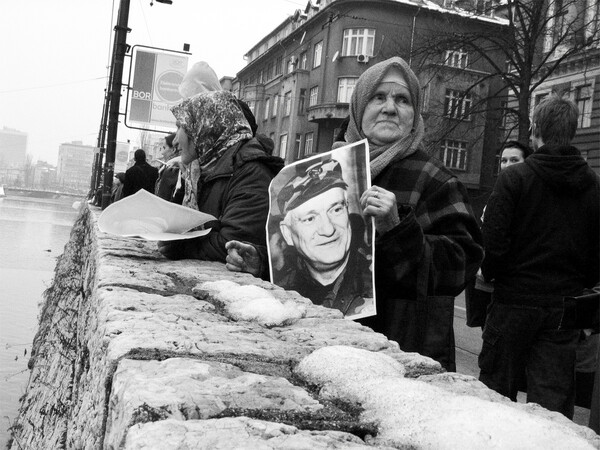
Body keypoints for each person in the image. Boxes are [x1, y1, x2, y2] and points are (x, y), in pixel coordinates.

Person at [227, 57, 483, 371]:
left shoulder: (436, 179)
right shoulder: (326, 168)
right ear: (359, 107)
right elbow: (305, 261)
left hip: (401, 358)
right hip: (328, 349)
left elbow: (460, 268)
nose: (390, 107)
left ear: (414, 114)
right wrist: (262, 263)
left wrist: (398, 228)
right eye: (379, 97)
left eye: (402, 100)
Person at [478, 93, 599, 419]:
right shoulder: (593, 185)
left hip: (512, 302)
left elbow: (494, 241)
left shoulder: (514, 178)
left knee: (494, 399)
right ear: (572, 131)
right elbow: (596, 254)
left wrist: (493, 274)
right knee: (553, 408)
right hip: (563, 308)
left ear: (536, 130)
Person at [157, 90, 284, 263]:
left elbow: (231, 244)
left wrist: (179, 246)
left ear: (206, 126)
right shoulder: (200, 171)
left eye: (182, 127)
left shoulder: (251, 172)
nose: (175, 141)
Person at [272, 158, 373, 316]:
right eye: (309, 219)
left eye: (336, 210)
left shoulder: (374, 285)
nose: (328, 229)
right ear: (287, 233)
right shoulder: (280, 290)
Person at [466, 140, 532, 329]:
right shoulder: (497, 193)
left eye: (514, 160)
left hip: (512, 287)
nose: (507, 165)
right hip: (486, 283)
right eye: (503, 160)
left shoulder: (529, 196)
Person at [154, 133, 182, 202]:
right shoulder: (183, 168)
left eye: (164, 148)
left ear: (173, 150)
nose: (162, 153)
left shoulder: (171, 171)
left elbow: (161, 200)